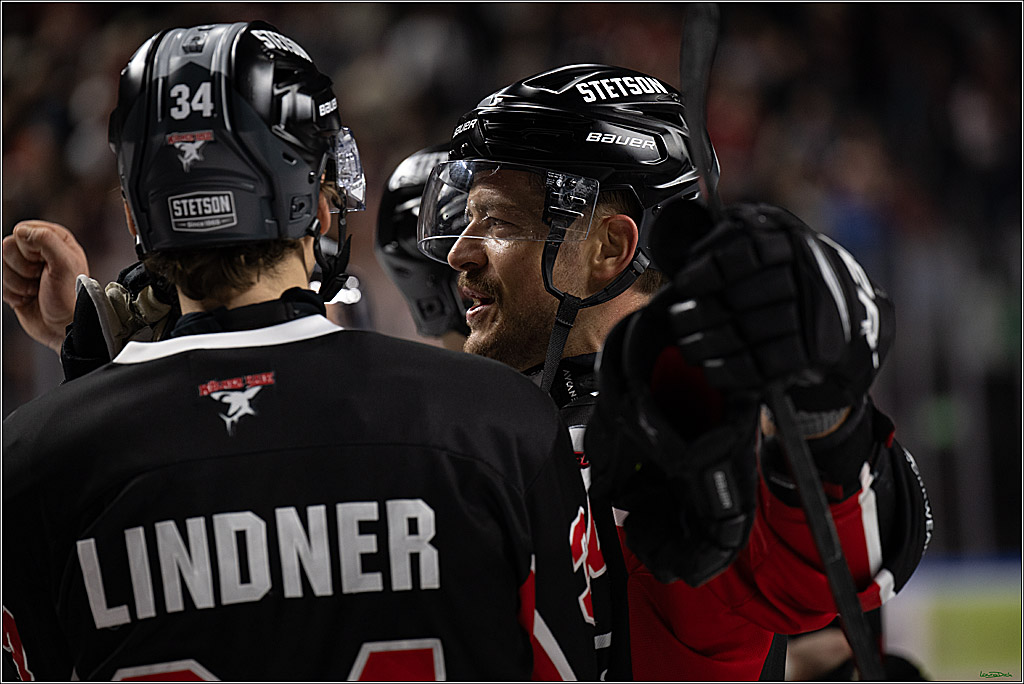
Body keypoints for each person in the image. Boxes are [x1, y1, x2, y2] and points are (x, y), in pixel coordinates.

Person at [1, 22, 604, 681]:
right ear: (318, 203)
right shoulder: (497, 419)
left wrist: (95, 368)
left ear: (135, 217)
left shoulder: (29, 463)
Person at [413, 63, 933, 679]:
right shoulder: (479, 429)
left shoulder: (699, 439)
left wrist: (824, 413)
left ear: (610, 246)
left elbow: (836, 568)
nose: (458, 251)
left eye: (495, 221)